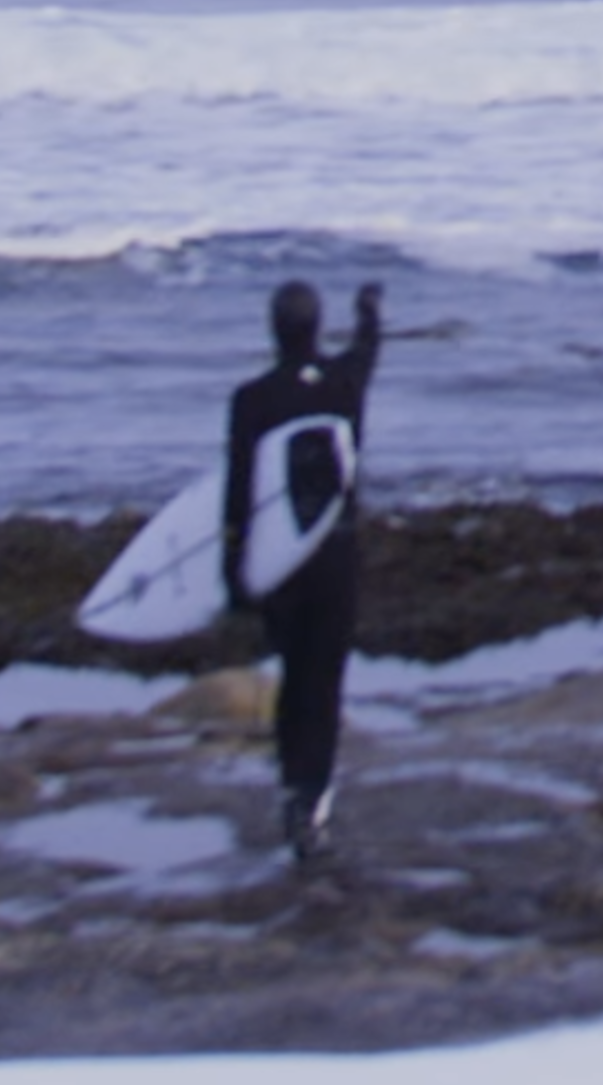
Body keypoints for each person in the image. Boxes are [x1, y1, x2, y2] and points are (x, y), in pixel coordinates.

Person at [224, 275, 382, 859]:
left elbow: (239, 495)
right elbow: (368, 354)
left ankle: (292, 789)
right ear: (317, 328)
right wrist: (368, 310)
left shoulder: (251, 399)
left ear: (273, 330)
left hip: (279, 559)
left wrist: (235, 573)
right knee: (327, 682)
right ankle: (315, 801)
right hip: (335, 555)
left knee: (294, 682)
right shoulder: (344, 386)